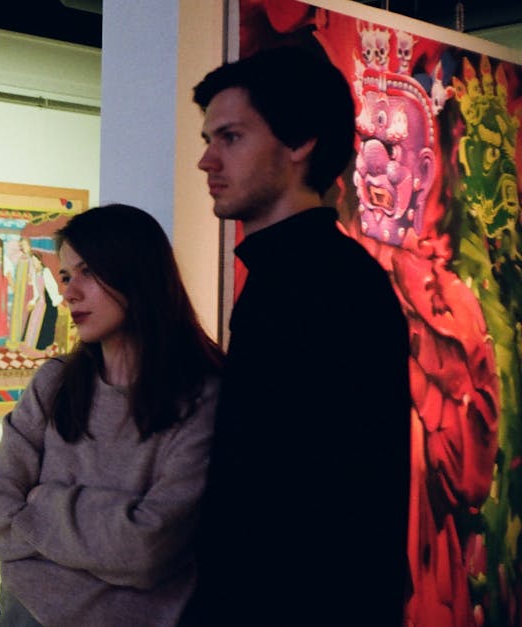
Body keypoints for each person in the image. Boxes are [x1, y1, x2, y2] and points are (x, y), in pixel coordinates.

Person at [191, 46, 411, 626]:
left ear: (300, 142)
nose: (206, 161)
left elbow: (311, 500)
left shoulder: (323, 286)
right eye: (209, 139)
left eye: (230, 137)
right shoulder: (296, 276)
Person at [0, 204, 222, 626]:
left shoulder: (201, 398)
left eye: (88, 272)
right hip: (22, 615)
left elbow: (146, 548)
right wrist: (106, 535)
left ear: (136, 272)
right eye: (66, 276)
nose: (69, 293)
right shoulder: (54, 383)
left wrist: (40, 502)